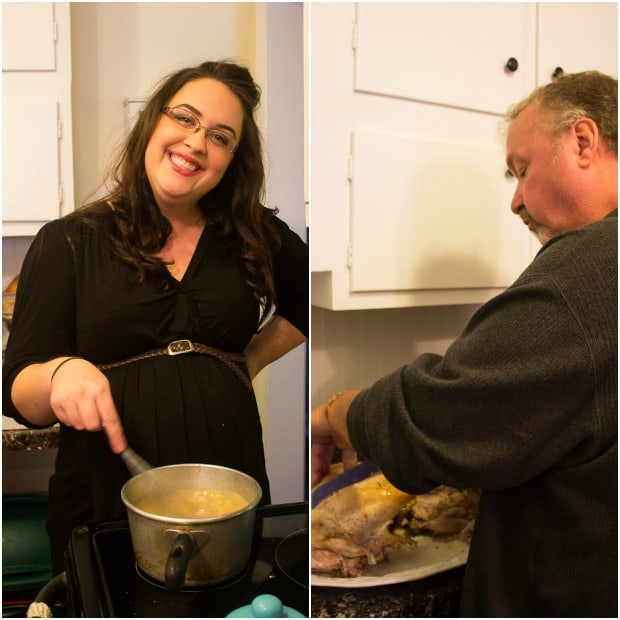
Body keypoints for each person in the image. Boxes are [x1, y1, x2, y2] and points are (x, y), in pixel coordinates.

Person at [311, 70, 617, 617]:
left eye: (521, 171)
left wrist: (333, 416)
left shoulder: (592, 271)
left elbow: (440, 417)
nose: (516, 202)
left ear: (583, 142)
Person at [3, 59, 308, 575]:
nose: (196, 142)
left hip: (229, 494)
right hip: (102, 497)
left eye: (220, 135)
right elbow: (18, 392)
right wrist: (58, 374)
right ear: (153, 123)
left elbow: (302, 307)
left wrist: (245, 362)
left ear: (233, 159)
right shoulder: (70, 240)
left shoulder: (254, 235)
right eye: (184, 118)